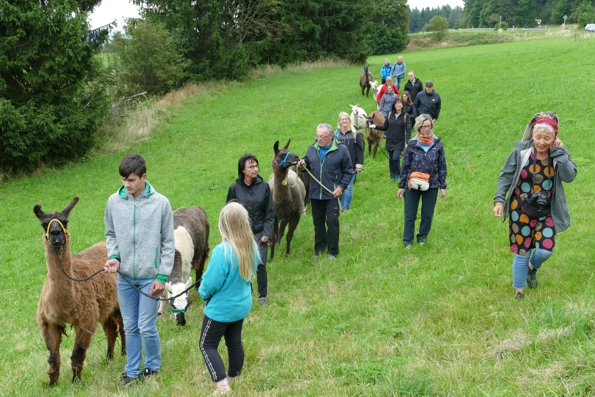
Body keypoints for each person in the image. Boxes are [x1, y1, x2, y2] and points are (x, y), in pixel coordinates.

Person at [104, 154, 175, 385]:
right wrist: (114, 257)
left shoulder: (161, 203)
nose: (126, 184)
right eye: (124, 179)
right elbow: (110, 234)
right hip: (125, 278)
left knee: (146, 325)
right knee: (130, 325)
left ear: (144, 177)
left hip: (150, 278)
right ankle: (132, 371)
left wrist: (162, 275)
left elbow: (168, 242)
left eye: (132, 179)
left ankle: (152, 366)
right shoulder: (113, 202)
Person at [493, 112, 576, 300]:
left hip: (545, 210)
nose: (541, 142)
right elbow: (505, 175)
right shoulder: (521, 152)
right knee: (523, 249)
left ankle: (533, 267)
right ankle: (519, 290)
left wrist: (561, 152)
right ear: (532, 134)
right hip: (520, 209)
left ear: (554, 138)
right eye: (538, 137)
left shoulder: (558, 153)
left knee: (546, 249)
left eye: (547, 138)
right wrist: (499, 200)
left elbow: (570, 176)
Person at [198, 202, 259, 394]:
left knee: (206, 344)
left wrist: (202, 293)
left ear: (223, 225)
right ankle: (235, 375)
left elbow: (210, 283)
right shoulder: (252, 248)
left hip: (221, 310)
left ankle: (222, 385)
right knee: (234, 341)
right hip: (241, 305)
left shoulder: (222, 252)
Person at [297, 123, 354, 260]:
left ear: (331, 136)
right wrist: (302, 165)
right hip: (316, 194)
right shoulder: (312, 148)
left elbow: (348, 171)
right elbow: (307, 165)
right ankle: (319, 249)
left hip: (332, 193)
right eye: (317, 136)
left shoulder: (341, 149)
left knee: (332, 221)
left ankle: (332, 252)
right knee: (318, 222)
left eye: (322, 136)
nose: (319, 139)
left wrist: (341, 187)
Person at [226, 154, 274, 306]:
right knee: (244, 265)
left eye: (256, 166)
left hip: (260, 232)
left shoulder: (264, 186)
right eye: (251, 167)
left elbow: (270, 212)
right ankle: (247, 294)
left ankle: (263, 296)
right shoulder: (234, 188)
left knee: (260, 264)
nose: (255, 169)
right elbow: (229, 212)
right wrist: (232, 234)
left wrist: (267, 233)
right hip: (241, 234)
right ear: (242, 170)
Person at [397, 115, 447, 248]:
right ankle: (408, 241)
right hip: (412, 184)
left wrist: (442, 185)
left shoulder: (437, 143)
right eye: (423, 126)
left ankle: (422, 237)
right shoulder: (412, 144)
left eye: (428, 126)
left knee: (427, 214)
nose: (426, 129)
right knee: (410, 214)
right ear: (418, 127)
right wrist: (401, 186)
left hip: (431, 184)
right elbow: (405, 165)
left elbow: (442, 165)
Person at [369, 99, 410, 182]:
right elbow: (385, 127)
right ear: (394, 105)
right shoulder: (390, 114)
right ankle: (392, 176)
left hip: (400, 141)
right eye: (396, 104)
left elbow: (408, 130)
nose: (398, 105)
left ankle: (398, 174)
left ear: (402, 105)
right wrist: (375, 126)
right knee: (391, 160)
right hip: (390, 140)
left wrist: (407, 142)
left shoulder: (406, 116)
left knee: (395, 158)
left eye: (399, 103)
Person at [334, 112, 364, 212]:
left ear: (349, 120)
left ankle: (345, 208)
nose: (344, 120)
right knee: (339, 186)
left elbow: (360, 150)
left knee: (348, 187)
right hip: (338, 166)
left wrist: (359, 165)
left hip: (351, 166)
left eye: (346, 118)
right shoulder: (336, 135)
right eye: (342, 119)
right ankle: (340, 205)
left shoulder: (356, 133)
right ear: (339, 121)